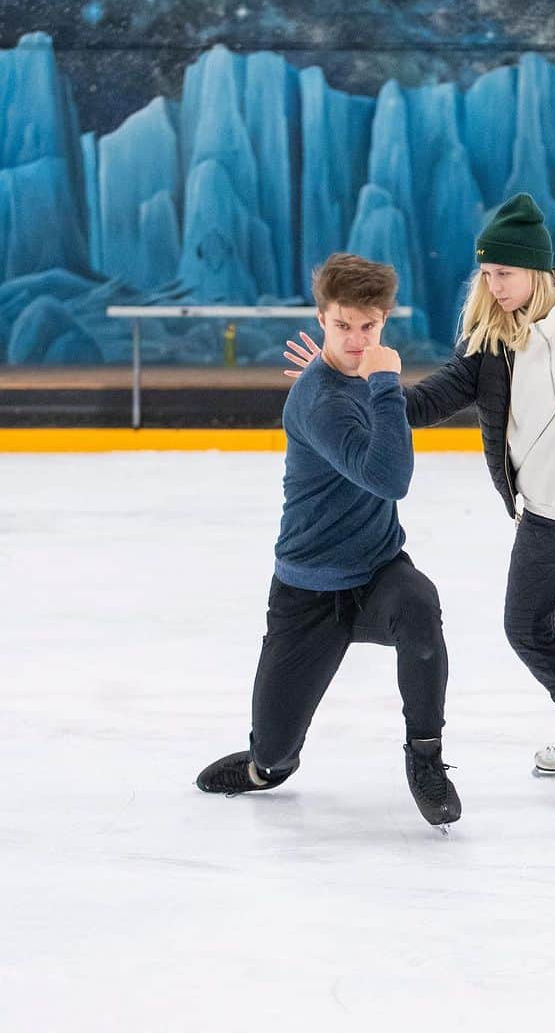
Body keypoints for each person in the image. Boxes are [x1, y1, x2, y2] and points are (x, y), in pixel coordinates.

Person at [286, 194, 555, 798]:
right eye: (487, 274)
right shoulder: (490, 345)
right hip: (546, 509)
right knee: (524, 625)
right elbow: (425, 403)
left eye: (504, 273)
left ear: (538, 270)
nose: (493, 285)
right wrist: (349, 375)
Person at [197, 253, 462, 829]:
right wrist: (381, 380)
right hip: (307, 593)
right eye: (342, 326)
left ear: (384, 320)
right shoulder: (317, 399)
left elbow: (413, 414)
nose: (356, 340)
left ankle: (426, 759)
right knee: (271, 753)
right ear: (322, 318)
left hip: (376, 576)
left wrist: (375, 381)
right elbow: (391, 477)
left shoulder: (362, 380)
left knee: (420, 604)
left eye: (368, 327)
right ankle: (265, 768)